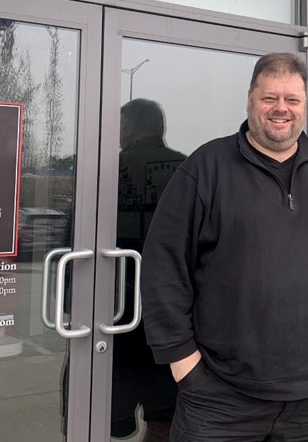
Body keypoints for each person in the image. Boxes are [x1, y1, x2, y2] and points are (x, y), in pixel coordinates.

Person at [140, 52, 308, 442]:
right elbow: (163, 267)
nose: (281, 109)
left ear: (304, 105)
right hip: (220, 399)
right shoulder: (205, 168)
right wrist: (183, 362)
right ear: (250, 100)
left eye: (292, 99)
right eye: (269, 98)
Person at [113, 98, 187, 441]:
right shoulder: (186, 170)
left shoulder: (109, 169)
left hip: (112, 308)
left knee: (101, 410)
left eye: (120, 124)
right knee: (165, 414)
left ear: (130, 127)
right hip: (172, 310)